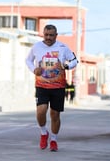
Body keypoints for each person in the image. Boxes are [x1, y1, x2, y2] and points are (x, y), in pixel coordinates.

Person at [25, 24, 78, 152]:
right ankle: (44, 133)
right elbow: (28, 60)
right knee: (41, 111)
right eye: (46, 35)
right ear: (43, 34)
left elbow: (74, 61)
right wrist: (34, 70)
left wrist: (66, 66)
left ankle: (53, 140)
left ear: (56, 35)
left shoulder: (63, 47)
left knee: (55, 115)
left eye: (51, 35)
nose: (48, 38)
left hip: (58, 86)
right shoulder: (37, 47)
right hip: (41, 85)